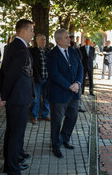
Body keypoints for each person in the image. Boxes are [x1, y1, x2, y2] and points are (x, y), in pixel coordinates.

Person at [0, 19, 35, 174]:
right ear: (24, 31)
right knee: (16, 134)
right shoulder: (19, 48)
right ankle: (13, 168)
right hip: (18, 98)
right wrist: (3, 96)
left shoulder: (14, 46)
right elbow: (11, 74)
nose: (32, 34)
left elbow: (4, 72)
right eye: (31, 30)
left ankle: (10, 164)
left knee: (12, 132)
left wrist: (2, 94)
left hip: (17, 97)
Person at [47, 28, 83, 158]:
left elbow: (80, 68)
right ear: (58, 40)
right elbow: (54, 75)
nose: (70, 39)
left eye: (69, 37)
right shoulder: (52, 55)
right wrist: (69, 86)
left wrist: (78, 83)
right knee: (56, 121)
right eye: (67, 37)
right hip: (59, 94)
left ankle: (65, 139)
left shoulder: (73, 52)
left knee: (72, 117)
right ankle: (56, 145)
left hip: (73, 93)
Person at [29, 34, 50, 124]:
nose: (43, 41)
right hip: (37, 78)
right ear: (36, 41)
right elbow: (32, 65)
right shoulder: (32, 51)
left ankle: (46, 114)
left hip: (47, 78)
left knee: (47, 97)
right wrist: (35, 76)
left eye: (44, 39)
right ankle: (35, 116)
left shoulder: (48, 51)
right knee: (36, 98)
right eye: (41, 39)